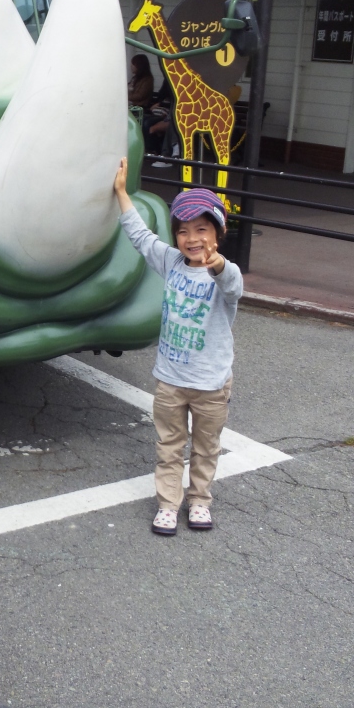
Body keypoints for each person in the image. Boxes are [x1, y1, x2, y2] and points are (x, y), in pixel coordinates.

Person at [111, 158, 243, 535]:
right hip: (170, 380)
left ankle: (200, 500)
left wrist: (217, 264)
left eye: (202, 229)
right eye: (183, 230)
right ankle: (168, 504)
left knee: (206, 447)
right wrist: (121, 193)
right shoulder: (171, 262)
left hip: (211, 383)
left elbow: (232, 284)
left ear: (218, 233)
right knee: (169, 446)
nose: (192, 238)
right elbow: (140, 235)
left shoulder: (226, 274)